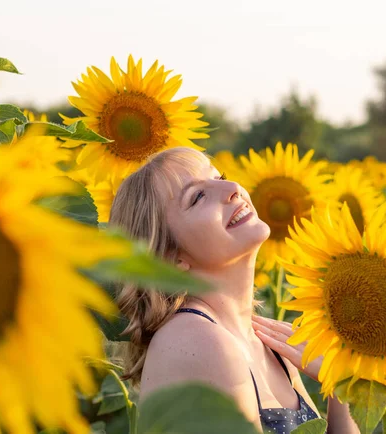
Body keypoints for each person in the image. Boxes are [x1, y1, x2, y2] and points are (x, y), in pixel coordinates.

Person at [109, 146, 359, 433]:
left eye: (220, 177)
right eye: (198, 196)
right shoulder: (197, 339)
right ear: (169, 257)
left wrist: (339, 385)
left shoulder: (268, 343)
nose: (232, 188)